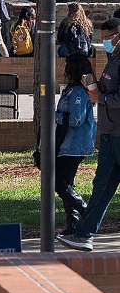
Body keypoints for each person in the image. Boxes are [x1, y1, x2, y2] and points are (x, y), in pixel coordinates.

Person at [59, 18, 120, 253]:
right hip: (108, 132)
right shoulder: (112, 59)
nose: (106, 42)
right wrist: (94, 86)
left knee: (103, 185)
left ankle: (83, 233)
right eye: (103, 37)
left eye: (110, 37)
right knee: (101, 186)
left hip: (117, 134)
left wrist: (100, 99)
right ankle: (84, 234)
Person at [50, 54, 97, 236]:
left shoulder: (78, 91)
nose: (64, 69)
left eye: (68, 66)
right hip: (67, 143)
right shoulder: (70, 89)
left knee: (57, 182)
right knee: (67, 183)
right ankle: (73, 223)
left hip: (75, 145)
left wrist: (54, 116)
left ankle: (84, 211)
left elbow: (76, 119)